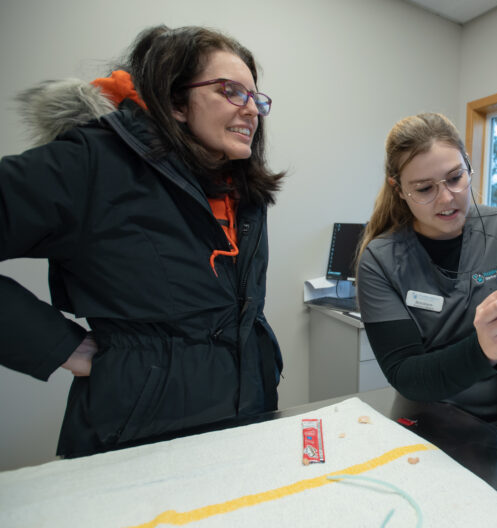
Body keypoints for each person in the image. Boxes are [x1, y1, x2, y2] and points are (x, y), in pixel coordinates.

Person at [0, 25, 285, 457]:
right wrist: (60, 346)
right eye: (231, 92)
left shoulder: (240, 191)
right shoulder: (95, 162)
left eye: (255, 97)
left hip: (244, 423)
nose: (251, 111)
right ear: (175, 100)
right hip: (138, 439)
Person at [355, 112, 497, 432]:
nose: (447, 198)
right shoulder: (380, 260)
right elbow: (407, 376)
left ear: (468, 166)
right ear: (398, 189)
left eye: (455, 178)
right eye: (425, 189)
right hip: (427, 422)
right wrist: (482, 348)